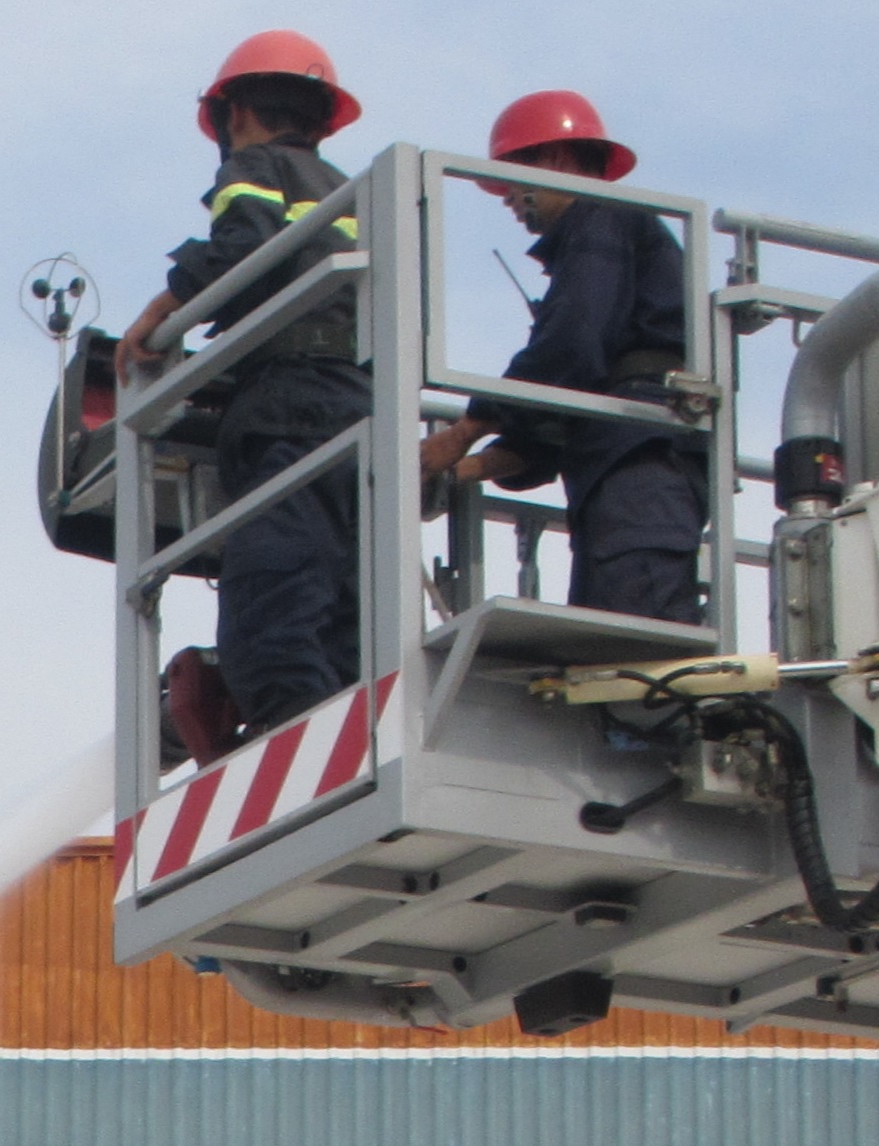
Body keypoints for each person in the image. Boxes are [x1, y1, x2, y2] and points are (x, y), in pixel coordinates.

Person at [114, 32, 368, 743]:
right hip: (358, 407)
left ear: (237, 113)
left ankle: (303, 753)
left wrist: (163, 311)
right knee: (344, 609)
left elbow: (242, 245)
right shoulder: (354, 193)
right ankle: (350, 744)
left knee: (270, 612)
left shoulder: (256, 166)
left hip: (291, 402)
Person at [417, 91, 705, 628]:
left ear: (554, 159)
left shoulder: (601, 218)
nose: (506, 197)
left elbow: (571, 347)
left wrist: (466, 430)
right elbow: (561, 411)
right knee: (612, 646)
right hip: (622, 470)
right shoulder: (609, 239)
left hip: (642, 465)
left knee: (637, 648)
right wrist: (462, 471)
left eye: (511, 178)